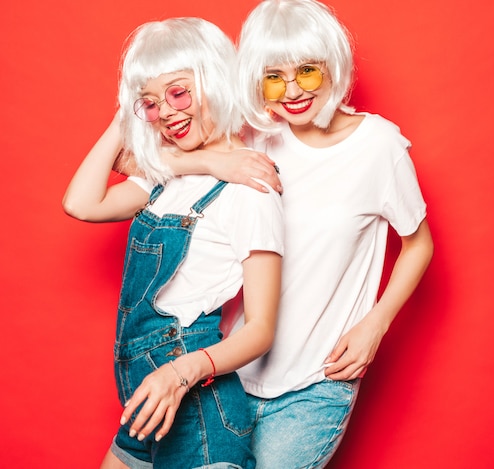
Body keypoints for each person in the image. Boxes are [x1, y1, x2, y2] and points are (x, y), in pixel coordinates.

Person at [168, 1, 434, 467]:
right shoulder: (251, 140)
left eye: (307, 71)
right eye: (274, 75)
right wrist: (210, 160)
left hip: (316, 383)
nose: (292, 90)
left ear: (333, 68)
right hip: (229, 370)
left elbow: (419, 243)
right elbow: (139, 165)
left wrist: (376, 324)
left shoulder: (379, 146)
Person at [62, 17, 284, 469]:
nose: (165, 112)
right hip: (146, 400)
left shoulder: (249, 189)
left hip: (195, 402)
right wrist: (129, 111)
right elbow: (81, 203)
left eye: (179, 92)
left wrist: (180, 374)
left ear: (216, 81)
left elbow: (261, 329)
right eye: (150, 102)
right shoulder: (166, 176)